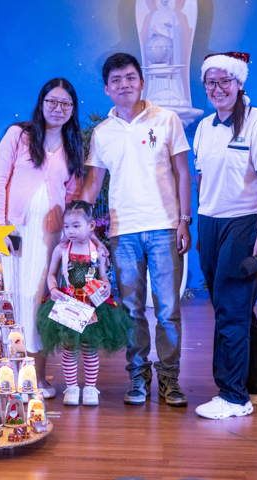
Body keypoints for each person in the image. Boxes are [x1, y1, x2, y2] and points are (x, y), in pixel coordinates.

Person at [82, 53, 192, 407]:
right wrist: (78, 226)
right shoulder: (102, 133)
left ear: (141, 81)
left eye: (130, 77)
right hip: (122, 232)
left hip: (163, 227)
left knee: (168, 309)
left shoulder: (166, 120)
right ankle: (138, 376)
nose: (124, 84)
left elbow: (182, 173)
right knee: (131, 308)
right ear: (106, 89)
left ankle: (171, 378)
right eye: (116, 80)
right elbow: (93, 184)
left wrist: (184, 220)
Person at [193, 52, 257, 420]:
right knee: (235, 308)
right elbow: (202, 180)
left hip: (245, 223)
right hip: (210, 223)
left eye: (225, 81)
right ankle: (255, 388)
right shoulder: (204, 127)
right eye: (211, 83)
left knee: (231, 310)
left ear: (240, 83)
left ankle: (232, 397)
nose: (218, 89)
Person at [0, 78, 84, 399]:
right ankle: (10, 376)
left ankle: (38, 378)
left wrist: (71, 239)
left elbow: (72, 196)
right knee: (12, 300)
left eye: (65, 104)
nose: (58, 109)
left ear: (73, 110)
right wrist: (1, 228)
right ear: (42, 102)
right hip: (14, 233)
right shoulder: (18, 135)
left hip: (49, 238)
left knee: (38, 301)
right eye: (52, 102)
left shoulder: (73, 147)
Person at [37, 201, 130, 406]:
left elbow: (103, 277)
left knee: (89, 349)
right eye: (67, 226)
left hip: (92, 306)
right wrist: (53, 289)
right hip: (69, 304)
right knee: (70, 349)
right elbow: (52, 275)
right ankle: (71, 388)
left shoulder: (97, 251)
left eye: (76, 226)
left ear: (91, 226)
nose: (70, 231)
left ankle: (90, 388)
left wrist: (105, 286)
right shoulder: (62, 250)